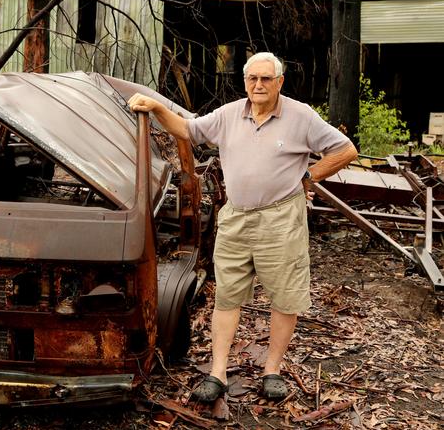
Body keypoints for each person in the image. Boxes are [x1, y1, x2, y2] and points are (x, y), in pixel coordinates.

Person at [128, 52, 358, 402]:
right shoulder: (229, 114)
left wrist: (309, 177)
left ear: (280, 82)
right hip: (236, 217)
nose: (259, 85)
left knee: (284, 296)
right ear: (245, 81)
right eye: (253, 78)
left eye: (266, 79)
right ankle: (218, 373)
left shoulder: (301, 117)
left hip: (281, 219)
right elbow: (188, 130)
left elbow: (346, 150)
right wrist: (157, 108)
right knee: (227, 294)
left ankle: (272, 371)